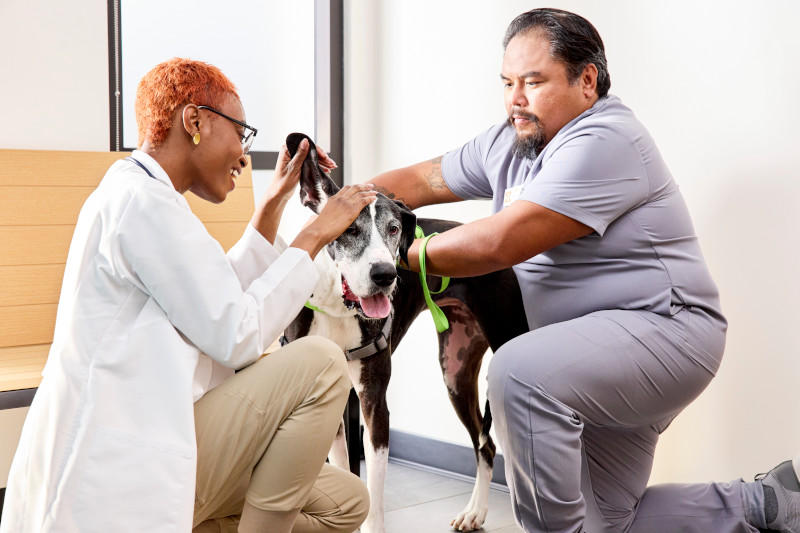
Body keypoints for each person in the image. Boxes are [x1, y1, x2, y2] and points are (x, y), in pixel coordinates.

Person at [370, 8, 799, 533]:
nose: (515, 99)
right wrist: (345, 207)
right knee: (609, 522)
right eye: (507, 83)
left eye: (533, 81)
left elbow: (500, 242)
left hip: (666, 334)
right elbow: (420, 180)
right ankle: (767, 504)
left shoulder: (606, 139)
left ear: (586, 80)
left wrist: (396, 257)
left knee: (518, 374)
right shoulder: (512, 139)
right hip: (585, 354)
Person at [1, 58, 374, 533]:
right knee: (322, 362)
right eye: (241, 133)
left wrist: (272, 204)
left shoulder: (146, 201)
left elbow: (216, 298)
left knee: (345, 500)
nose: (243, 154)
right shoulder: (141, 202)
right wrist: (319, 230)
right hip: (120, 465)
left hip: (151, 440)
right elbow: (237, 333)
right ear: (194, 121)